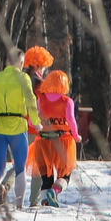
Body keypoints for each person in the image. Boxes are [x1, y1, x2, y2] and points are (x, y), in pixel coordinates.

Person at [0, 47, 42, 207]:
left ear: (6, 61)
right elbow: (30, 100)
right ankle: (19, 203)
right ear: (21, 62)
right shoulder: (23, 78)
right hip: (18, 127)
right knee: (20, 167)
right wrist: (36, 121)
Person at [32, 68, 79, 205]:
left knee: (46, 176)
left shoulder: (40, 100)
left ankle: (46, 201)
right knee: (65, 175)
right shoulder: (67, 101)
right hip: (63, 140)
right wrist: (76, 136)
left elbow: (32, 120)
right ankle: (55, 190)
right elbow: (71, 120)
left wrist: (39, 125)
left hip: (43, 140)